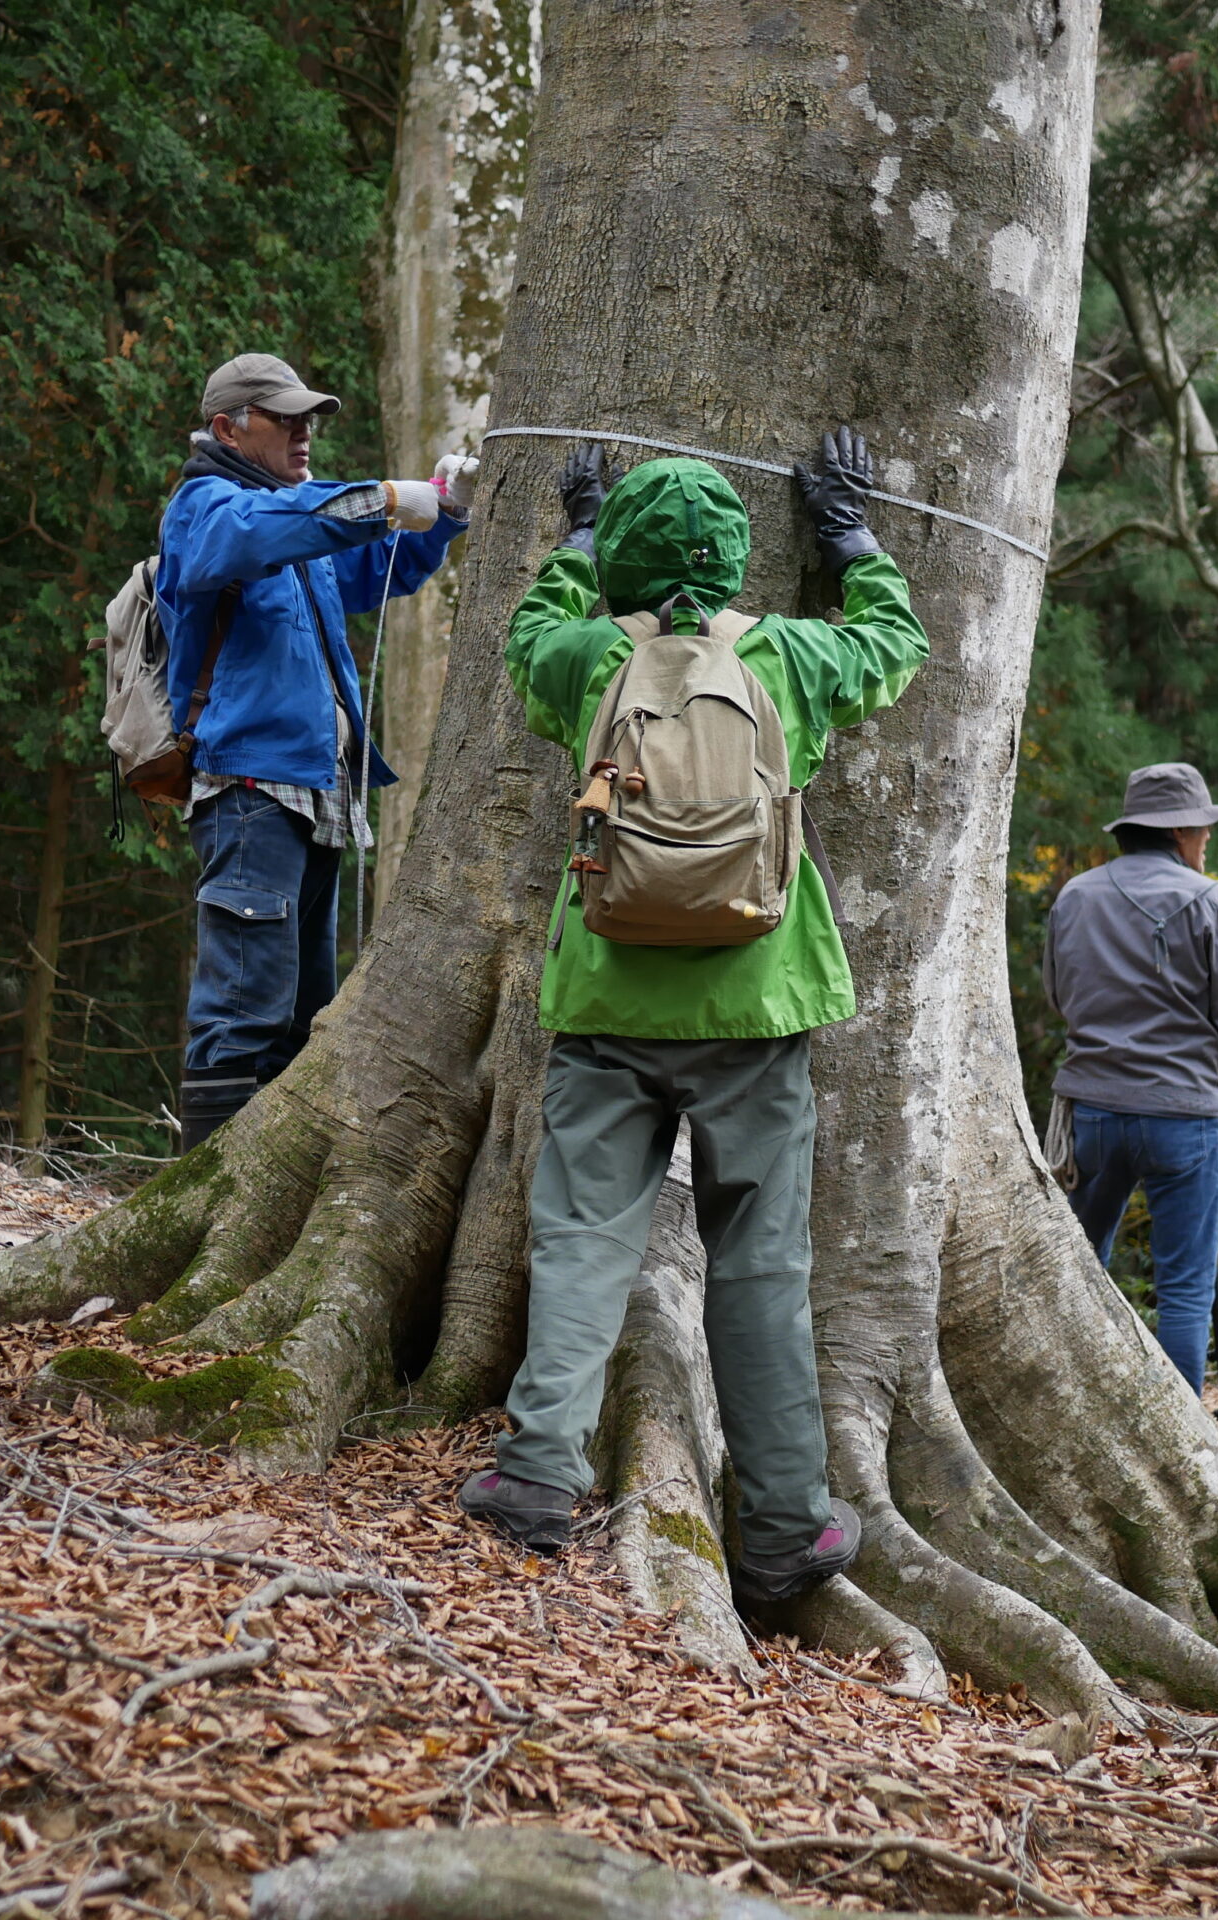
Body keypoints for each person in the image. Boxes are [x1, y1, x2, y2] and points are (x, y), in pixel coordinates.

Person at [457, 429, 927, 1604]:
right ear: (729, 562)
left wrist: (571, 542)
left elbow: (522, 641)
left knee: (580, 1240)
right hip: (755, 1006)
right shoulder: (789, 659)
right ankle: (779, 1525)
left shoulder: (581, 662)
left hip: (608, 998)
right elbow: (896, 645)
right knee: (759, 1265)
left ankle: (534, 1476)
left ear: (623, 557)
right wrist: (852, 535)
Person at [159, 353, 472, 1148]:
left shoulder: (291, 513)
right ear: (229, 428)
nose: (305, 431)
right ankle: (202, 1198)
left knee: (304, 1017)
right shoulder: (206, 508)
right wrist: (381, 500)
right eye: (285, 417)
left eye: (309, 417)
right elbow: (269, 532)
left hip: (318, 794)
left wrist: (445, 512)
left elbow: (373, 571)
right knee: (243, 1010)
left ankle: (258, 1206)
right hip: (250, 793)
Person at [1042, 763, 1218, 1418]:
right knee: (1185, 1292)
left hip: (1092, 1112)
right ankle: (1180, 1442)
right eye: (1203, 830)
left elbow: (1060, 998)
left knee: (1079, 1278)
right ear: (1180, 831)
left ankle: (1076, 1419)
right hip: (1183, 1115)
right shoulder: (1210, 900)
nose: (1207, 842)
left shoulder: (1073, 897)